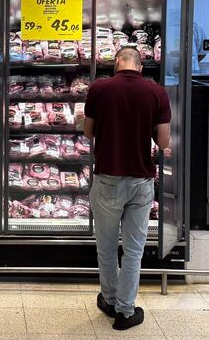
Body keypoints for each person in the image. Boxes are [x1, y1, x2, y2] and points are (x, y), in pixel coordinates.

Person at [84, 46, 171, 331]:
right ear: (141, 66)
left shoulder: (99, 89)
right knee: (133, 250)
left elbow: (88, 131)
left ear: (118, 62)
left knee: (106, 248)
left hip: (108, 178)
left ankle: (108, 300)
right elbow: (162, 140)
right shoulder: (156, 92)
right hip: (141, 180)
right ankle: (125, 310)